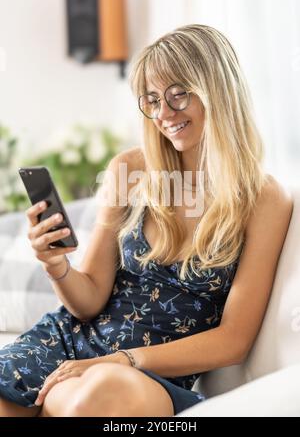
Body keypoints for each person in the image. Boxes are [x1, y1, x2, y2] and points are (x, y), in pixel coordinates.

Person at [0, 24, 293, 417]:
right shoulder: (129, 171)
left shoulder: (263, 199)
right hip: (66, 342)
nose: (164, 114)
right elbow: (87, 302)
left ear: (218, 91)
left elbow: (234, 340)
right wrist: (56, 266)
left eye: (178, 95)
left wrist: (124, 360)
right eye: (152, 100)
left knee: (100, 394)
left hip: (146, 372)